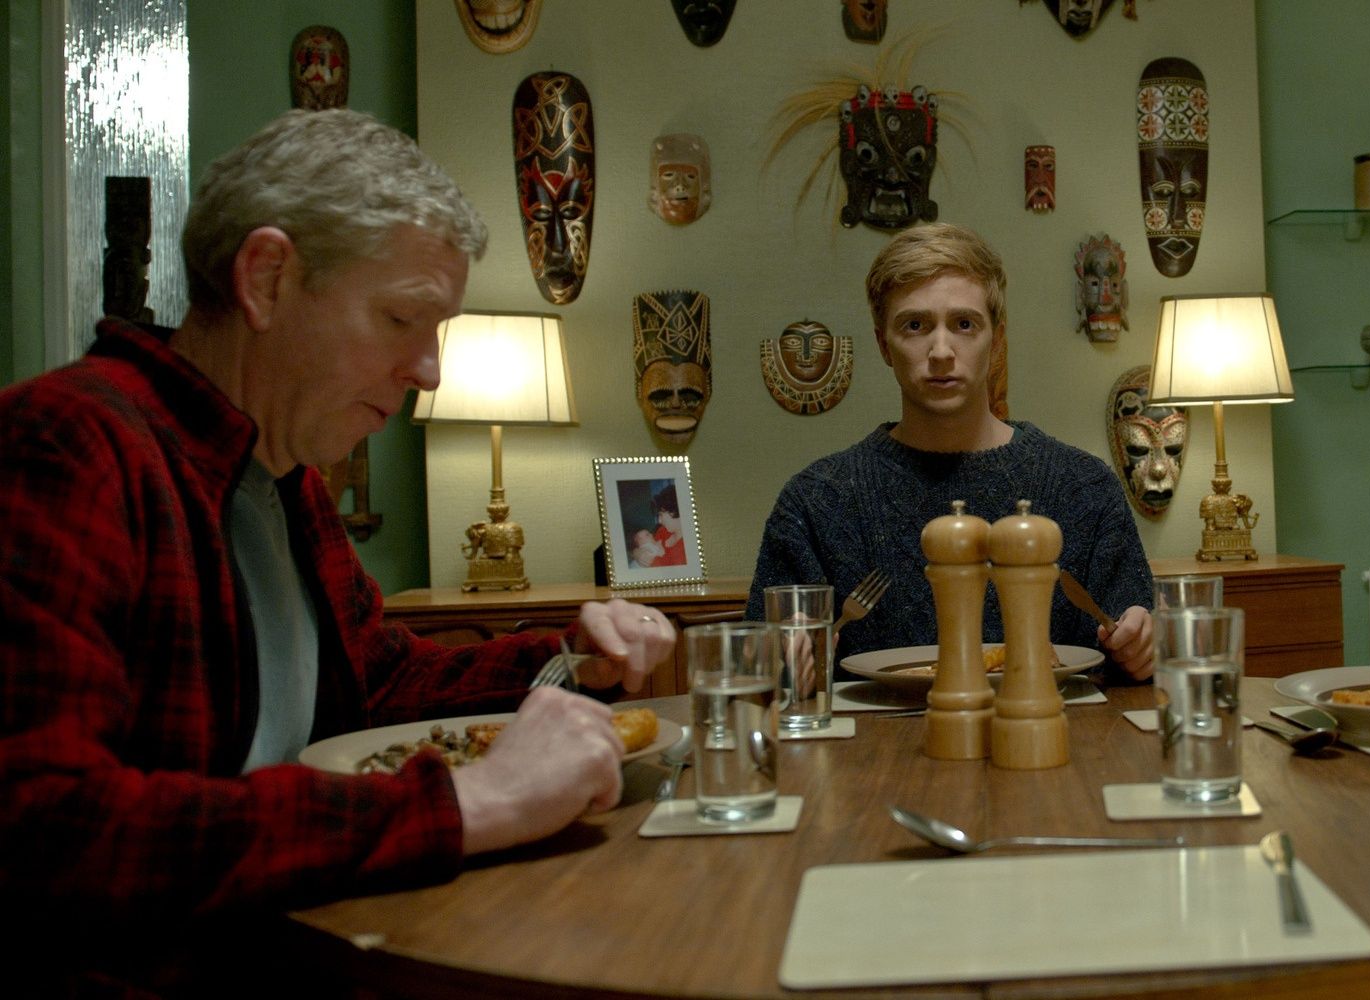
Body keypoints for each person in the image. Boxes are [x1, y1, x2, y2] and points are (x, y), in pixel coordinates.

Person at [0, 110, 676, 993]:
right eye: (404, 317)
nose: (429, 370)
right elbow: (45, 830)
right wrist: (473, 803)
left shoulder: (280, 474)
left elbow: (379, 686)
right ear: (268, 278)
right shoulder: (68, 445)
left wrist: (568, 665)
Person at [747, 222, 1156, 679]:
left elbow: (1136, 651)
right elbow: (760, 672)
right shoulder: (816, 503)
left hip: (1048, 740)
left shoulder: (1084, 487)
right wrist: (783, 653)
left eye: (964, 324)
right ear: (884, 344)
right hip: (872, 748)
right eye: (915, 326)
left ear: (996, 340)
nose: (941, 350)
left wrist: (1142, 644)